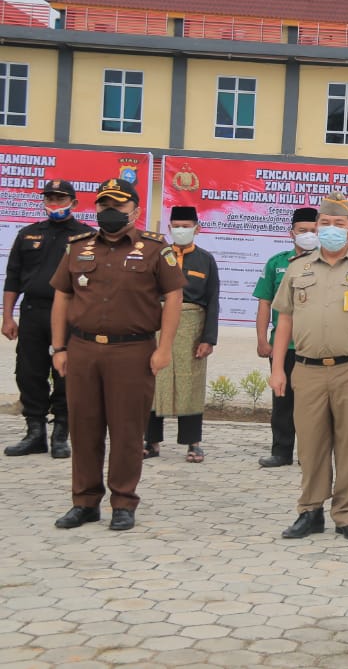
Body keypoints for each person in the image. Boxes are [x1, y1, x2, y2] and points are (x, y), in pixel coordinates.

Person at [49, 179, 185, 531]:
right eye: (104, 206)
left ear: (135, 211)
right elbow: (63, 296)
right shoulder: (77, 248)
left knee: (126, 431)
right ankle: (84, 502)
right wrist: (59, 347)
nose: (110, 213)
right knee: (84, 428)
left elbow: (173, 296)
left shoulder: (156, 249)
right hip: (82, 349)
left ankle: (123, 502)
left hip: (132, 350)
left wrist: (165, 347)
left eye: (118, 207)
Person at [270, 191, 348, 541]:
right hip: (307, 369)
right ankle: (310, 511)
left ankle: (347, 514)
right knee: (310, 444)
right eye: (324, 223)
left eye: (338, 224)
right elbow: (283, 322)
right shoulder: (299, 268)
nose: (330, 229)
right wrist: (278, 369)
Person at [3, 179, 92, 458]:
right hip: (32, 312)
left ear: (74, 203)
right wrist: (7, 317)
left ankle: (61, 434)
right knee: (29, 372)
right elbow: (13, 278)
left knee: (67, 374)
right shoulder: (28, 234)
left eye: (60, 199)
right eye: (50, 199)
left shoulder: (86, 236)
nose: (54, 204)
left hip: (70, 314)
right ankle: (35, 432)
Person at [145, 206, 220, 463]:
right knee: (154, 382)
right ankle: (151, 442)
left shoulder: (205, 259)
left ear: (197, 228)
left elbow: (213, 300)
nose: (181, 230)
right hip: (158, 325)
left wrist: (208, 338)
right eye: (176, 225)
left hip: (192, 327)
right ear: (169, 228)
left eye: (186, 226)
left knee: (191, 384)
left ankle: (193, 444)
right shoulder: (156, 256)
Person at [253, 207, 319, 467]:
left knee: (313, 403)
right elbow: (264, 302)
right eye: (303, 231)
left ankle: (310, 454)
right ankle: (281, 451)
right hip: (285, 345)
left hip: (315, 344)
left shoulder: (328, 264)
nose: (308, 235)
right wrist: (261, 339)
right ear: (291, 232)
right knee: (283, 400)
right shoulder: (277, 263)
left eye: (313, 231)